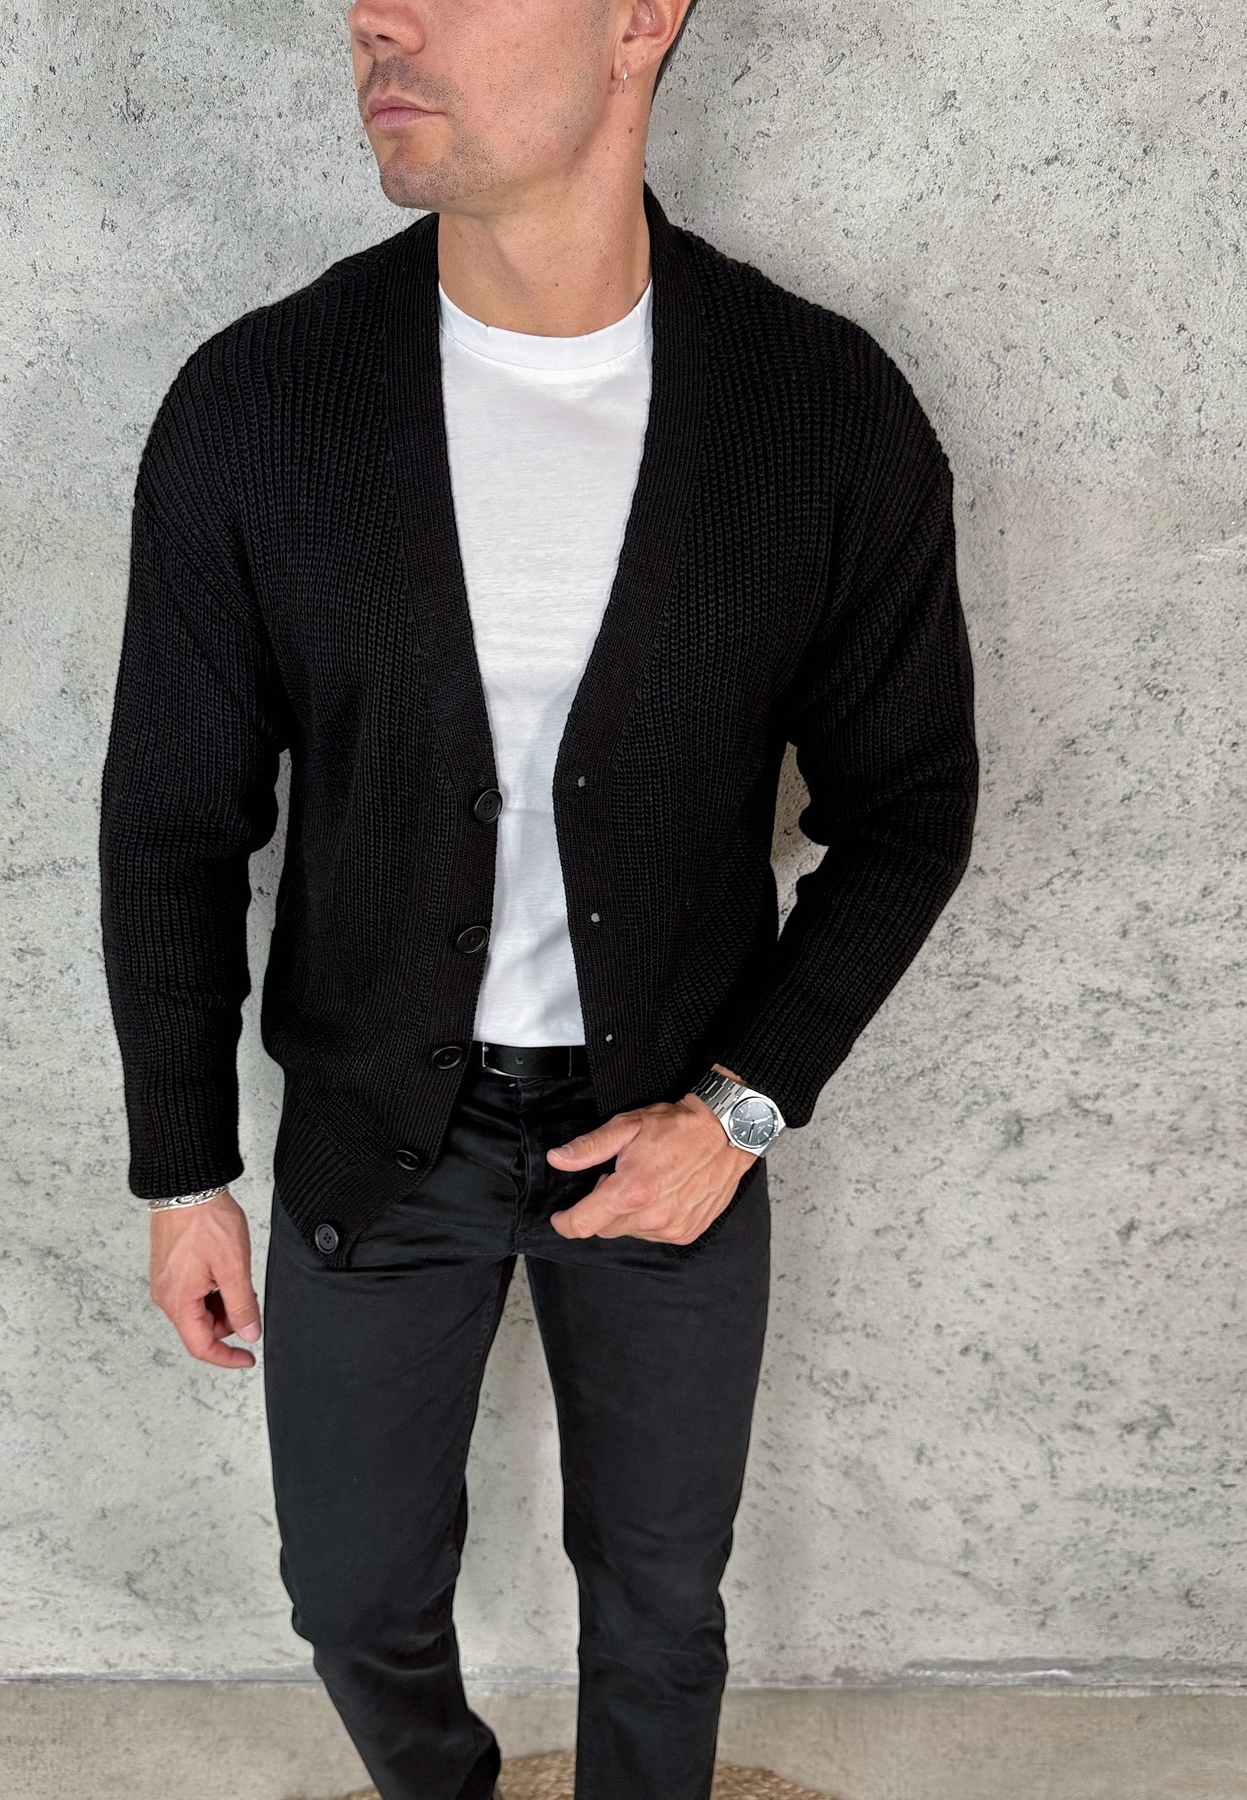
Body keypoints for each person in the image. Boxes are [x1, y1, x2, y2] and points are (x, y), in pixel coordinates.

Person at [97, 2, 979, 1795]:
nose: (377, 18)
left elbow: (910, 810)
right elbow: (172, 819)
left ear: (641, 19)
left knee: (660, 1609)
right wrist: (185, 1170)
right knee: (350, 1599)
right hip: (374, 1130)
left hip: (667, 1123)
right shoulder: (263, 404)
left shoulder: (817, 413)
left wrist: (739, 1112)